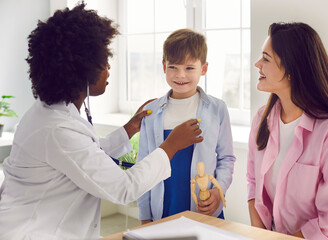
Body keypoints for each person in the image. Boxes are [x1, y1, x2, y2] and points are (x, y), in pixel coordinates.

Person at [0, 4, 203, 240]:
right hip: (33, 232)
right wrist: (172, 145)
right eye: (104, 61)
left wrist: (130, 129)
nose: (108, 68)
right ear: (81, 70)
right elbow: (123, 188)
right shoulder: (56, 128)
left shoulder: (53, 112)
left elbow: (86, 155)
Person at [247, 22, 328, 239]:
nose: (257, 64)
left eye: (266, 58)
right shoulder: (262, 119)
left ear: (291, 70)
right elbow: (253, 183)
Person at [137, 28, 236, 224]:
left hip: (206, 211)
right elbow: (143, 167)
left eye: (189, 68)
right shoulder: (151, 112)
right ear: (164, 66)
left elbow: (226, 158)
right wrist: (144, 216)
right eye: (173, 67)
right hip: (163, 210)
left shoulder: (217, 109)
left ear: (204, 68)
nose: (180, 75)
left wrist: (219, 191)